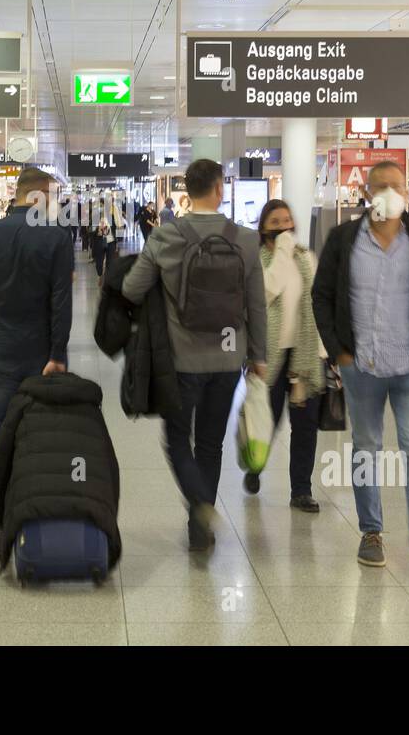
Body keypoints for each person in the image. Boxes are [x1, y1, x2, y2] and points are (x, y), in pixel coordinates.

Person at [311, 160, 409, 584]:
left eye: (395, 185)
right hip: (362, 368)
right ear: (366, 192)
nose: (387, 192)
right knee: (366, 447)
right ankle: (371, 533)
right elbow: (321, 296)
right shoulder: (343, 240)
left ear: (407, 193)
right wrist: (338, 350)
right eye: (379, 185)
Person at [121, 158, 266, 552]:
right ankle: (199, 529)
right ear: (220, 189)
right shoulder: (246, 240)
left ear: (187, 191)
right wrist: (259, 356)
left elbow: (132, 290)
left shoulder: (166, 236)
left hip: (181, 361)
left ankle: (200, 503)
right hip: (227, 358)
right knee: (210, 444)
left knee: (177, 440)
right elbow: (256, 305)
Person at [0, 167, 73, 451]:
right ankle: (36, 490)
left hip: (1, 349)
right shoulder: (58, 237)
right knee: (44, 431)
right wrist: (59, 354)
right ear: (41, 195)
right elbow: (61, 301)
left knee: (0, 431)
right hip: (43, 353)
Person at [248, 199, 325, 511]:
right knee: (268, 420)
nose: (283, 227)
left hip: (304, 356)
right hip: (270, 356)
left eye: (287, 221)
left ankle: (301, 490)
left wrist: (323, 353)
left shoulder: (308, 258)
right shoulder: (258, 261)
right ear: (264, 227)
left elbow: (318, 303)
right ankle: (254, 466)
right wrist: (282, 250)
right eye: (276, 221)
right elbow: (267, 291)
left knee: (305, 427)